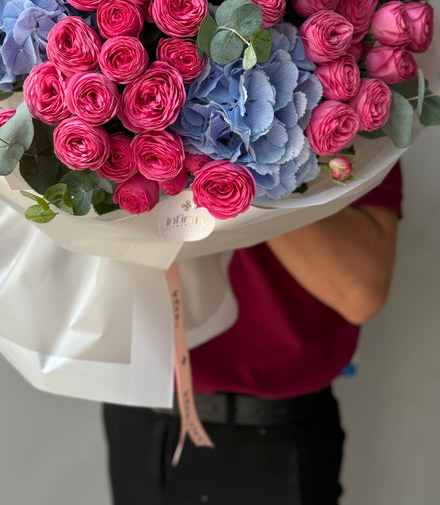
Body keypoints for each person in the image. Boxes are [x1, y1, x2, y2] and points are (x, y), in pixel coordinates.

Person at [102, 164, 402, 504]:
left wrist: (228, 165)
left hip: (274, 434)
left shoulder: (353, 114)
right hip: (140, 415)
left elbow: (360, 293)